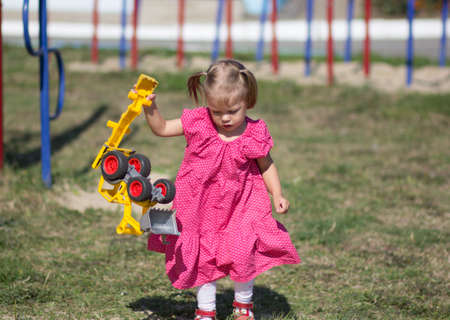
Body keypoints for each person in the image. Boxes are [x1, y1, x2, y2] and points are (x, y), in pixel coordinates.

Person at [141, 59, 300, 320]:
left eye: (233, 111)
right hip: (199, 204)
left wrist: (278, 194)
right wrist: (150, 107)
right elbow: (162, 128)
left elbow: (267, 165)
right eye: (216, 112)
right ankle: (206, 310)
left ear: (248, 101)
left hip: (242, 204)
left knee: (243, 250)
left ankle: (243, 306)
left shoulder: (254, 132)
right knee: (203, 256)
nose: (224, 118)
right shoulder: (198, 122)